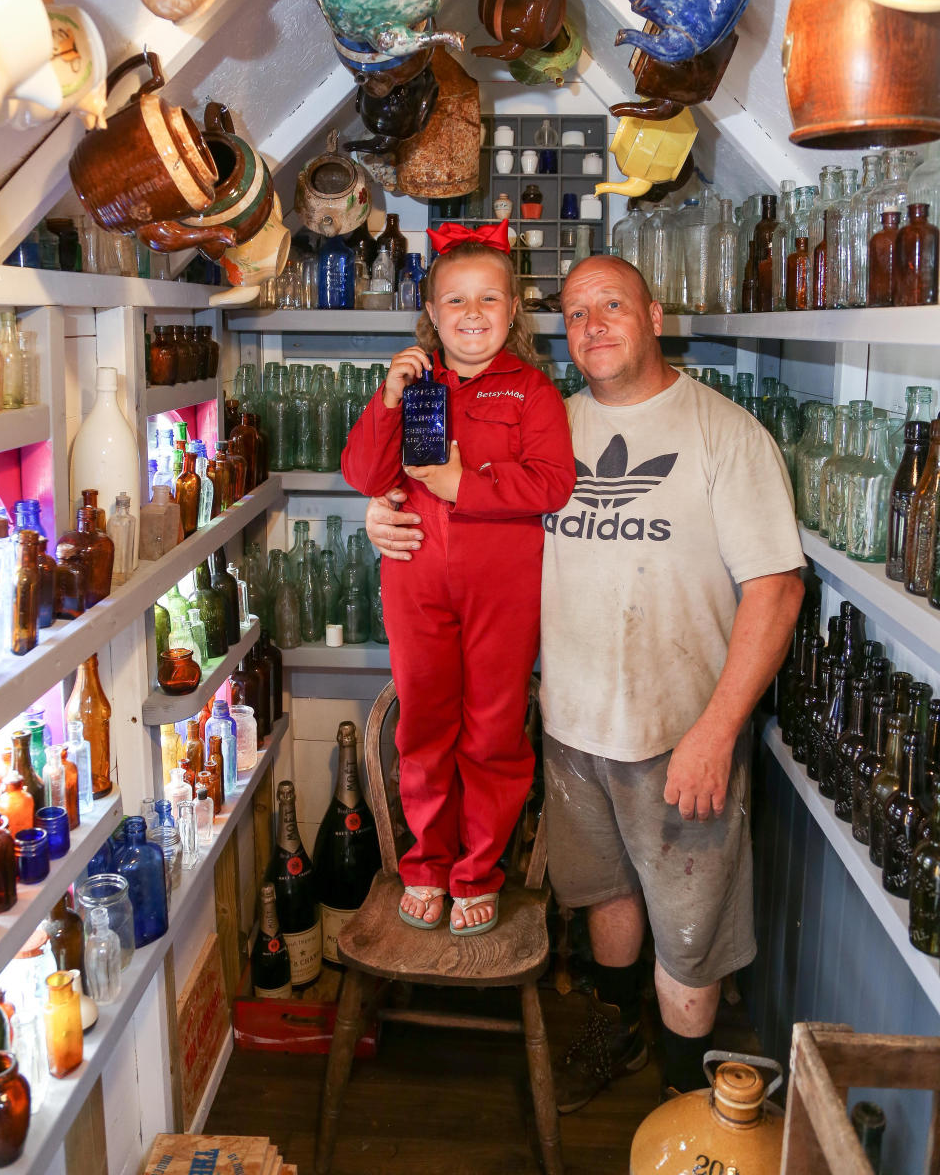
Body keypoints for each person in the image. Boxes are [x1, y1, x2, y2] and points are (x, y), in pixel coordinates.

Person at [364, 254, 804, 1100]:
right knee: (605, 897)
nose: (593, 324)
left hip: (682, 736)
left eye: (612, 304)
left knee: (689, 929)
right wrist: (380, 514)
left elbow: (778, 592)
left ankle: (685, 1094)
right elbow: (448, 493)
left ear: (656, 313)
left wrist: (716, 734)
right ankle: (617, 1039)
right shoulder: (545, 423)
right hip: (569, 730)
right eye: (575, 313)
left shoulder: (725, 433)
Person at [341, 221, 575, 935]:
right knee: (425, 729)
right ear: (432, 314)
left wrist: (458, 481)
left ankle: (478, 870)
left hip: (503, 594)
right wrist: (387, 397)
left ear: (513, 311)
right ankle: (427, 865)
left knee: (495, 733)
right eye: (455, 301)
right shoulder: (415, 386)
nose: (472, 314)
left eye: (488, 300)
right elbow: (365, 475)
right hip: (415, 586)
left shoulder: (531, 391)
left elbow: (553, 483)